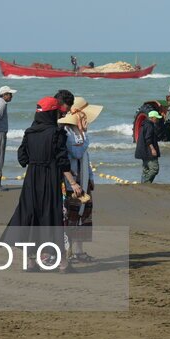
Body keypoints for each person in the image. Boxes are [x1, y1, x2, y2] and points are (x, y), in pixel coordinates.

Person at [1, 96, 81, 272]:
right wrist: (73, 182)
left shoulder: (29, 132)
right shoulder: (57, 133)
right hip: (50, 178)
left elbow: (22, 158)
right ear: (52, 113)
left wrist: (36, 159)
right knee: (52, 218)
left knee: (31, 217)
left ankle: (31, 262)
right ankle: (62, 264)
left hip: (31, 179)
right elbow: (62, 161)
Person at [58, 96, 103, 262]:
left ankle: (79, 251)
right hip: (72, 183)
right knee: (71, 215)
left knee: (85, 215)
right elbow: (77, 152)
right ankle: (68, 251)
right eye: (83, 116)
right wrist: (85, 135)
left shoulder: (78, 131)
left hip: (83, 179)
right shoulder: (65, 132)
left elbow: (85, 157)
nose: (86, 119)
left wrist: (90, 176)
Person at [136, 110, 162, 182]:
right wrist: (153, 149)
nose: (157, 119)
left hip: (143, 151)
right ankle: (145, 183)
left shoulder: (144, 125)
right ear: (152, 118)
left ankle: (144, 184)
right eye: (156, 118)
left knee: (146, 169)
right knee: (154, 169)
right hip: (148, 151)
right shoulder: (149, 125)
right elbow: (148, 139)